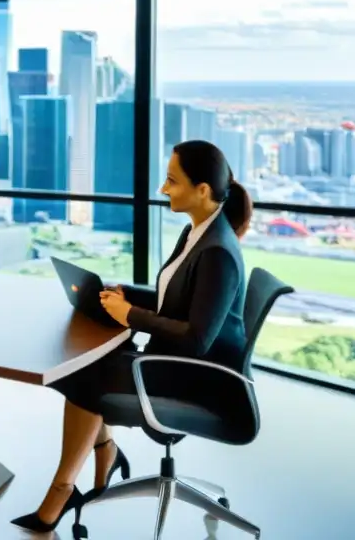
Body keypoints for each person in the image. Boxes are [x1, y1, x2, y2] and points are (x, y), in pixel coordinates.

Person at [13, 140, 253, 534]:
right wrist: (127, 297)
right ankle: (103, 452)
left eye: (172, 181)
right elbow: (173, 301)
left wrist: (132, 316)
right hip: (176, 360)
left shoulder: (218, 253)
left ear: (203, 190)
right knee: (87, 367)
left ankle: (62, 491)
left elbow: (196, 340)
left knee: (85, 376)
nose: (163, 189)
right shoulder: (199, 232)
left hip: (198, 380)